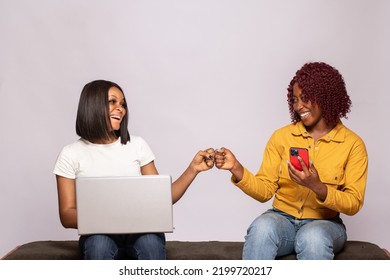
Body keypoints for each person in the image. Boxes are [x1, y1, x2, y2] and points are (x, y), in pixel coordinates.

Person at [214, 62, 368, 260]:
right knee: (262, 228)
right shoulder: (281, 137)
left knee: (312, 237)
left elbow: (353, 203)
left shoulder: (352, 144)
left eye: (305, 98)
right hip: (281, 220)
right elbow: (265, 191)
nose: (298, 106)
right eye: (295, 100)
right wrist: (236, 168)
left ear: (325, 96)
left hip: (325, 224)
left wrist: (319, 187)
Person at [53, 80, 215, 260]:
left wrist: (193, 169)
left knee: (150, 243)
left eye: (123, 104)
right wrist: (110, 218)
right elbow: (67, 215)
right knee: (98, 245)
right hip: (98, 234)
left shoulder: (137, 145)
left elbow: (162, 198)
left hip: (141, 232)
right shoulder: (70, 154)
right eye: (112, 102)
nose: (120, 108)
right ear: (92, 105)